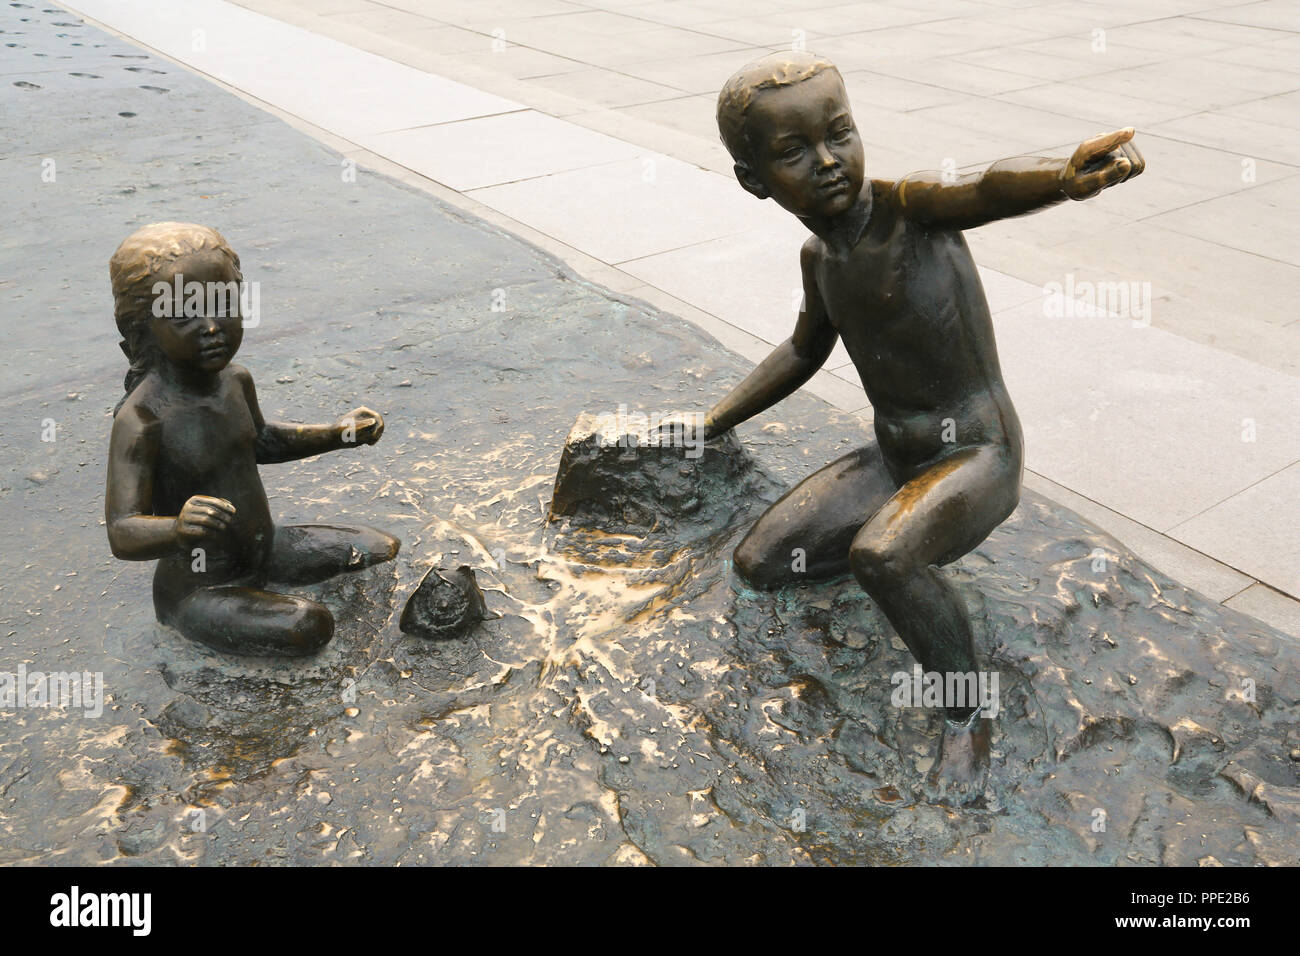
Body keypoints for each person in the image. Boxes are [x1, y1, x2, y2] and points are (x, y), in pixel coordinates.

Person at [705, 53, 1145, 795]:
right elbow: (802, 350)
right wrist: (709, 422)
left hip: (978, 456)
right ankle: (910, 575)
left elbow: (982, 188)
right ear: (754, 180)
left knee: (883, 554)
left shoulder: (911, 209)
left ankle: (966, 712)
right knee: (762, 564)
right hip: (896, 461)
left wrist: (1062, 179)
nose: (827, 161)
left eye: (838, 134)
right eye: (792, 152)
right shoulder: (819, 257)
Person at [105, 222, 400, 656]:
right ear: (143, 326)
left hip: (266, 548)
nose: (211, 327)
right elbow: (122, 531)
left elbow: (262, 442)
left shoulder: (235, 381)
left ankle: (269, 587)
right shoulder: (144, 418)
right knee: (308, 625)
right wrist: (176, 527)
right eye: (185, 315)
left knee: (377, 548)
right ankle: (244, 612)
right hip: (201, 587)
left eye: (223, 305)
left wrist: (338, 434)